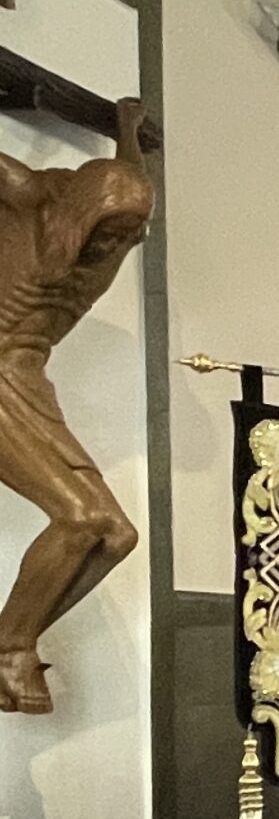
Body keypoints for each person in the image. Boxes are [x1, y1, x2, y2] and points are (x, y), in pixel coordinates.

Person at [0, 97, 154, 713]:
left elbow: (135, 180)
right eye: (106, 229)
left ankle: (13, 636)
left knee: (117, 535)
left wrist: (127, 130)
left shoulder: (116, 239)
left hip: (28, 381)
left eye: (126, 234)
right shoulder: (30, 200)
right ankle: (12, 649)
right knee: (80, 519)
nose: (114, 242)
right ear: (81, 212)